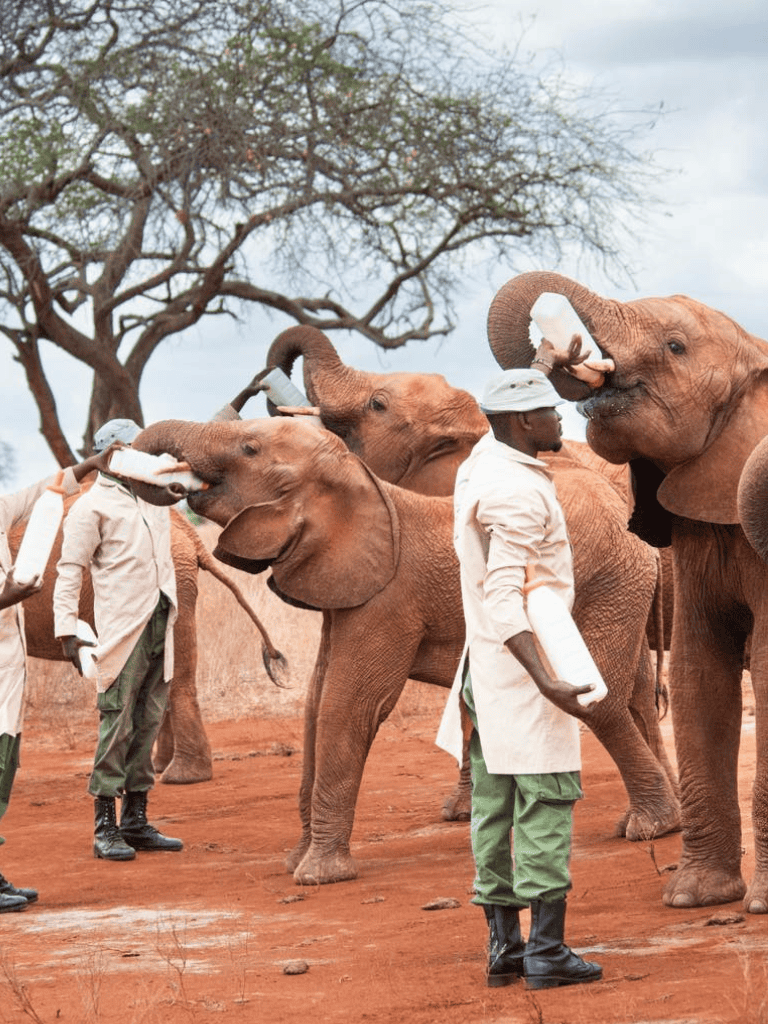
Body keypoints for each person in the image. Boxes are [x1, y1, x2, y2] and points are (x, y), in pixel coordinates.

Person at [436, 366, 602, 991]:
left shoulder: (481, 465)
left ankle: (505, 948)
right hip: (524, 670)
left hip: (484, 672)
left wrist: (545, 359)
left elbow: (493, 427)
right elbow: (506, 596)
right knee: (546, 803)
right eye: (551, 412)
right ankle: (547, 951)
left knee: (493, 807)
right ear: (521, 423)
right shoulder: (520, 494)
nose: (561, 420)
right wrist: (547, 680)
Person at [53, 419, 183, 862]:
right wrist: (66, 629)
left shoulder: (154, 494)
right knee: (117, 722)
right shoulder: (90, 508)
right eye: (131, 447)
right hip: (121, 630)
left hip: (161, 620)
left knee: (149, 719)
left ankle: (136, 819)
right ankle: (105, 826)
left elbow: (201, 447)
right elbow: (69, 569)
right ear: (113, 454)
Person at [0, 450, 114, 911]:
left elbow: (42, 491)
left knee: (4, 770)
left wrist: (92, 462)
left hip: (7, 679)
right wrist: (8, 597)